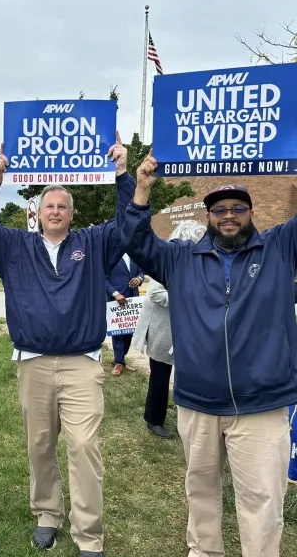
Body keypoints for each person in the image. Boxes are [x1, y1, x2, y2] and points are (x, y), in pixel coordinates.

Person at [122, 154, 297, 557]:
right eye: (220, 210)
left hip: (262, 403)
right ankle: (204, 551)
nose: (229, 216)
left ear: (251, 213)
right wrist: (142, 189)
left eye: (238, 208)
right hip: (199, 401)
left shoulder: (279, 249)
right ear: (208, 217)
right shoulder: (181, 259)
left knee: (263, 500)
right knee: (200, 490)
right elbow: (135, 240)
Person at [0, 136, 134, 557]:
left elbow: (130, 223)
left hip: (81, 363)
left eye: (63, 206)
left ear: (71, 215)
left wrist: (121, 175)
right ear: (37, 213)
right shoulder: (14, 247)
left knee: (83, 446)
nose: (55, 211)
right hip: (34, 363)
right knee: (40, 444)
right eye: (49, 206)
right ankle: (47, 513)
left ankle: (89, 534)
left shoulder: (93, 244)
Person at [132, 220, 206, 439]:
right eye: (199, 239)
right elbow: (155, 294)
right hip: (162, 330)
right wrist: (186, 297)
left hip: (182, 329)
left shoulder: (197, 261)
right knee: (161, 377)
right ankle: (154, 420)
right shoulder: (168, 257)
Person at [105, 254, 143, 375]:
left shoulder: (135, 254)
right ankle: (119, 363)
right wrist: (115, 293)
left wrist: (139, 278)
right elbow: (103, 278)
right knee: (118, 332)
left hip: (133, 299)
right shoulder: (109, 256)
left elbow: (141, 271)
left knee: (130, 332)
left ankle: (120, 358)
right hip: (115, 300)